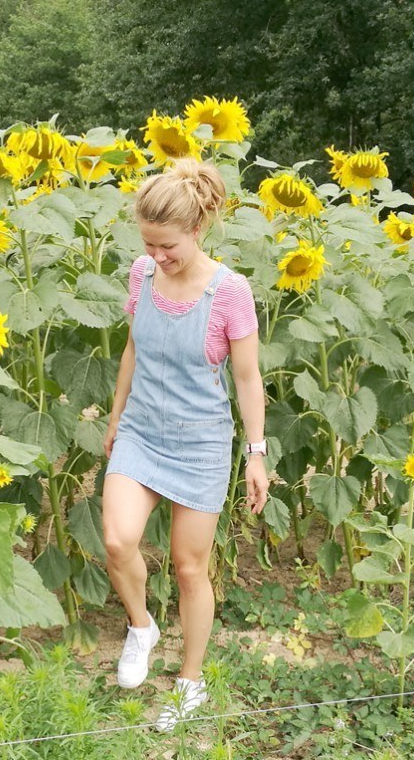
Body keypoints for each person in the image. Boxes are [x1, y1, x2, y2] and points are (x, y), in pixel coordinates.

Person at [100, 156, 268, 731]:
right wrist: (116, 417)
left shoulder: (229, 292)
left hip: (200, 444)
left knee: (190, 568)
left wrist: (256, 455)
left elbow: (247, 378)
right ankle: (141, 626)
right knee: (117, 541)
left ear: (197, 228)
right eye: (148, 244)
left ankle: (189, 682)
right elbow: (133, 348)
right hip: (141, 431)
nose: (157, 256)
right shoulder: (141, 274)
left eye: (167, 245)